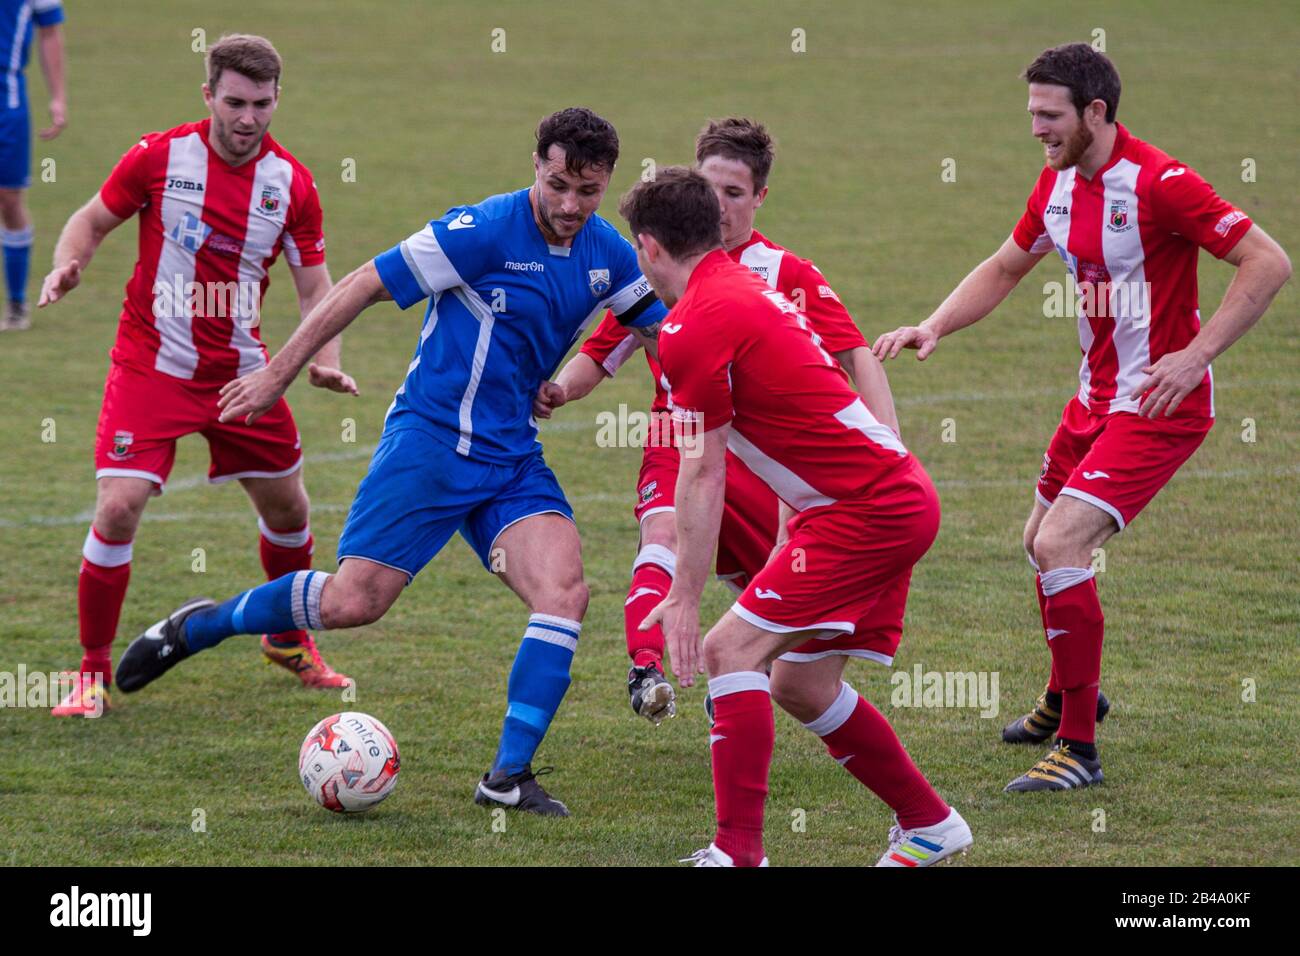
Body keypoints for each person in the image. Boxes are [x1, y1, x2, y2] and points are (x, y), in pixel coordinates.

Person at [114, 108, 667, 816]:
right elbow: (360, 285)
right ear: (536, 164)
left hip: (511, 461)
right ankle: (202, 626)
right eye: (557, 184)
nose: (568, 205)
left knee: (565, 595)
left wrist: (703, 420)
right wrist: (279, 373)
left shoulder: (609, 253)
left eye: (586, 192)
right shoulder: (481, 231)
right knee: (352, 605)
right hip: (430, 446)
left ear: (606, 185)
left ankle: (506, 778)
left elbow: (667, 330)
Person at [872, 43, 1291, 792]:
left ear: (1095, 112)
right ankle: (1073, 691)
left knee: (1064, 539)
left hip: (1159, 404)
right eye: (1032, 112)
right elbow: (1006, 264)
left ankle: (1078, 749)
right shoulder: (1058, 182)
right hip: (1093, 399)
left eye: (1049, 114)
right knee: (1037, 541)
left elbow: (1268, 261)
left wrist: (1197, 355)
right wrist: (934, 324)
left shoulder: (1161, 183)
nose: (1035, 128)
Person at [628, 167, 971, 867]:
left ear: (649, 248)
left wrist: (685, 596)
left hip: (870, 508)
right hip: (870, 501)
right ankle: (931, 825)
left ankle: (738, 854)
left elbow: (701, 469)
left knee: (729, 650)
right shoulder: (742, 287)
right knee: (801, 682)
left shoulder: (693, 323)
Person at [539, 118, 899, 730]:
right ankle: (647, 667)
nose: (720, 206)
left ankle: (745, 671)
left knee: (774, 574)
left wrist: (887, 445)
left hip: (757, 455)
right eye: (710, 190)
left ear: (760, 198)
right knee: (664, 536)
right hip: (678, 436)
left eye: (736, 194)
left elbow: (855, 354)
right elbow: (604, 351)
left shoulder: (784, 273)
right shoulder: (656, 268)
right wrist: (557, 391)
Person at [40, 34, 357, 717]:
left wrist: (323, 361)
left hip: (244, 375)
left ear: (277, 101)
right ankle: (91, 673)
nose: (248, 119)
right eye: (235, 102)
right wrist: (70, 264)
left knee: (290, 510)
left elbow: (315, 287)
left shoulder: (292, 185)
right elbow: (90, 220)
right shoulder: (158, 157)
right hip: (151, 366)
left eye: (262, 105)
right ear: (208, 95)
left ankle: (287, 636)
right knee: (119, 506)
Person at [0, 0, 65, 330]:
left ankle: (16, 303)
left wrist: (58, 97)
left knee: (10, 201)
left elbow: (50, 31)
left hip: (6, 102)